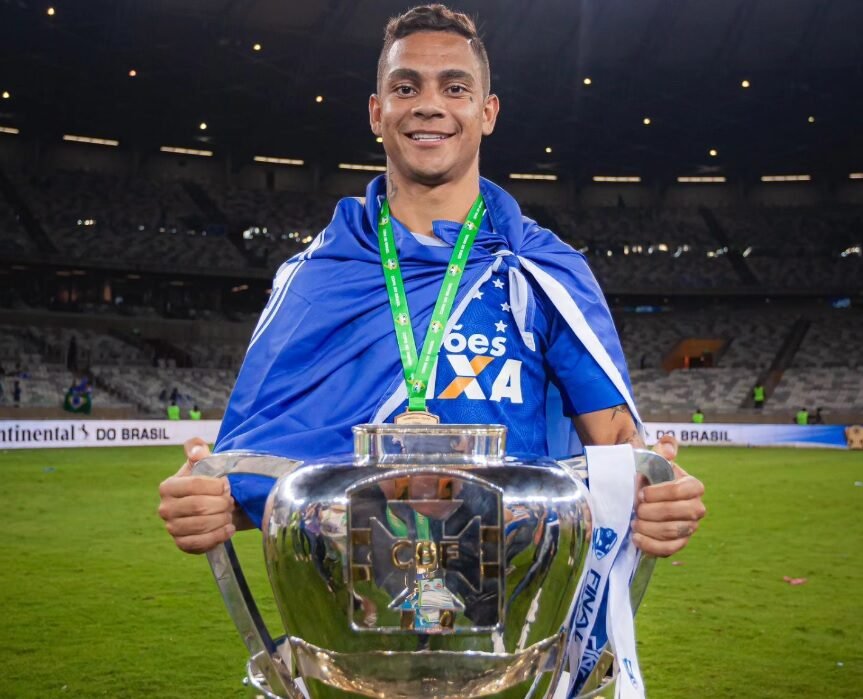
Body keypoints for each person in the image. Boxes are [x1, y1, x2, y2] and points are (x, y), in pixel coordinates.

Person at [158, 4, 705, 562]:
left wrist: (660, 496)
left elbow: (619, 456)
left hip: (518, 616)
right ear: (377, 112)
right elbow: (249, 476)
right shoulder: (315, 279)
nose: (428, 105)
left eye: (455, 88)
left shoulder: (543, 270)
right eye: (405, 86)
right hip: (346, 621)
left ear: (487, 112)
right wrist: (208, 503)